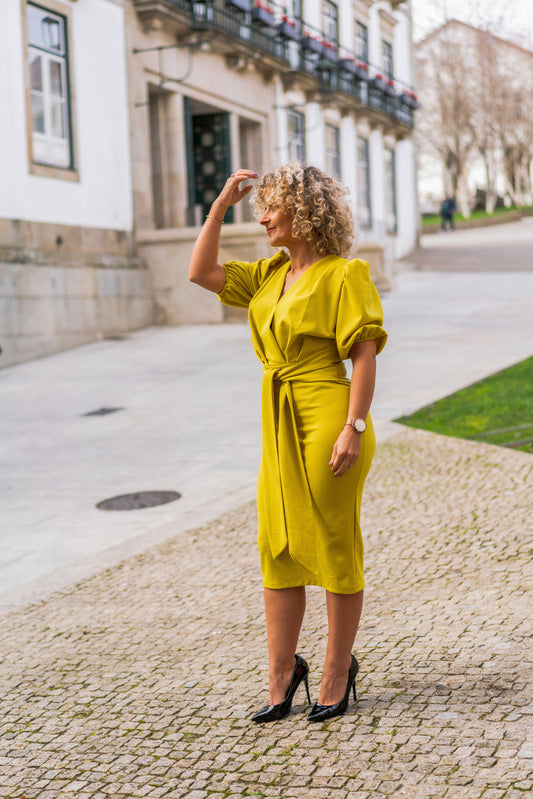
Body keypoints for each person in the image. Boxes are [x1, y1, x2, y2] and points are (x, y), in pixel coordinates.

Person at [189, 163, 387, 723]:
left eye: (273, 206)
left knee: (332, 540)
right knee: (275, 543)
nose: (265, 216)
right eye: (261, 207)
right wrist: (220, 206)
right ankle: (281, 675)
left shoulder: (344, 275)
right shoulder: (269, 274)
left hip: (328, 412)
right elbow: (200, 272)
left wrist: (355, 426)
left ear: (305, 211)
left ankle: (335, 672)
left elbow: (364, 354)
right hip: (277, 420)